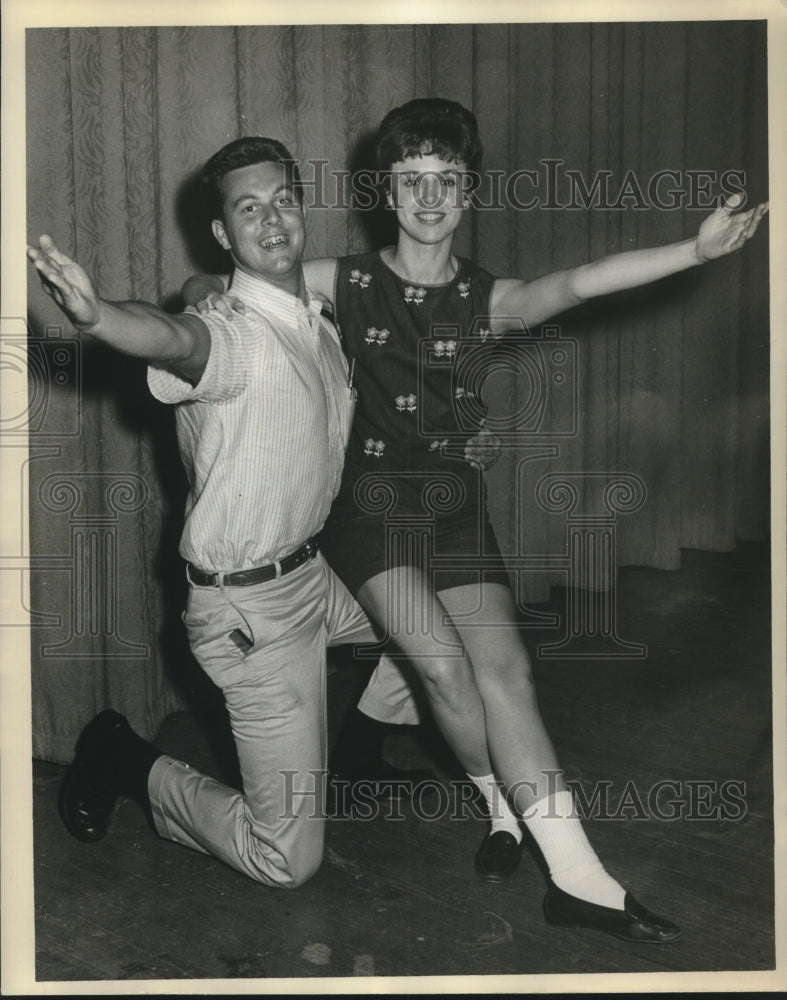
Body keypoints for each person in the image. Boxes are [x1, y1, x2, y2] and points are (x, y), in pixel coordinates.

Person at [184, 98, 767, 942]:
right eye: (411, 180)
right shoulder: (338, 279)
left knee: (508, 676)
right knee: (444, 669)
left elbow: (581, 280)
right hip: (369, 510)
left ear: (468, 192)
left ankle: (578, 881)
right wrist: (197, 294)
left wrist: (695, 250)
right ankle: (500, 804)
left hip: (453, 506)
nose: (429, 198)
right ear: (386, 190)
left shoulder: (490, 298)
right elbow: (220, 288)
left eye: (447, 181)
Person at [27, 135, 456, 889]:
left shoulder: (315, 320)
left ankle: (356, 756)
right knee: (286, 860)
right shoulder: (232, 337)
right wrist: (98, 318)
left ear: (303, 210)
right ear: (224, 232)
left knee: (453, 612)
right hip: (252, 611)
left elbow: (200, 293)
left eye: (283, 200)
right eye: (248, 209)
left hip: (317, 572)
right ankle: (125, 759)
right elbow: (177, 337)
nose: (272, 219)